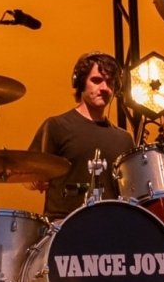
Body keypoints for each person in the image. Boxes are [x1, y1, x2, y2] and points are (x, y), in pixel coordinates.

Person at [27, 51, 136, 221]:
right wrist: (34, 180)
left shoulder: (124, 139)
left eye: (110, 83)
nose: (105, 88)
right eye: (97, 80)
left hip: (112, 227)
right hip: (65, 225)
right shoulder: (57, 126)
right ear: (80, 83)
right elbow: (27, 174)